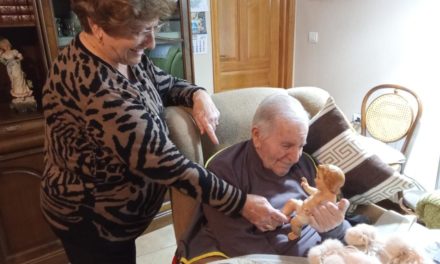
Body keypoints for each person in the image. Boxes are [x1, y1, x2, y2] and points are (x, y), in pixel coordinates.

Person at [40, 1, 287, 264]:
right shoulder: (96, 88)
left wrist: (197, 94)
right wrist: (242, 203)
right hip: (92, 220)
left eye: (153, 28)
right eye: (139, 32)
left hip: (121, 214)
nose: (151, 43)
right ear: (96, 25)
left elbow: (165, 84)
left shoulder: (122, 56)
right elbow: (168, 165)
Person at [176, 94, 351, 263]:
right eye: (287, 145)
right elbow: (239, 244)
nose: (295, 157)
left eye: (301, 145)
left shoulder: (307, 163)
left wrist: (334, 229)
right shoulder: (224, 170)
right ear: (257, 136)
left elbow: (341, 229)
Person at [282, 164, 345, 240]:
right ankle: (282, 216)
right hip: (303, 206)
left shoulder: (329, 198)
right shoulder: (321, 191)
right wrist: (307, 186)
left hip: (307, 216)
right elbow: (314, 191)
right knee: (291, 202)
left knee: (294, 222)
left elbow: (322, 212)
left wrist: (312, 213)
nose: (315, 180)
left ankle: (296, 234)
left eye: (318, 178)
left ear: (328, 182)